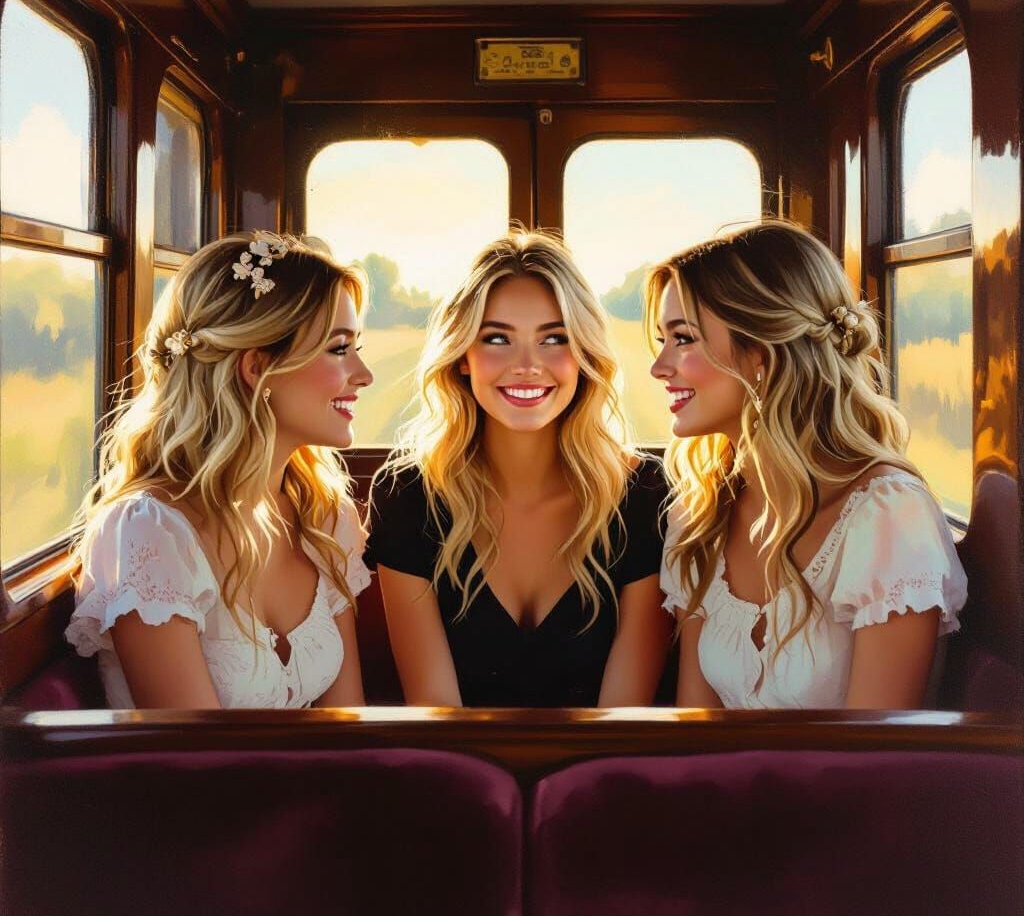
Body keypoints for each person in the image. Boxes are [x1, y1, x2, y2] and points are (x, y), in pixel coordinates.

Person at [647, 221, 967, 709]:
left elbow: (879, 760)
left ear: (762, 353)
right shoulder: (700, 515)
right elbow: (698, 737)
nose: (658, 366)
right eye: (662, 340)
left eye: (683, 338)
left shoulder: (886, 516)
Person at [66, 232, 374, 708]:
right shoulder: (151, 533)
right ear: (257, 367)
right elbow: (196, 763)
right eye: (339, 348)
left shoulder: (324, 519)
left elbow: (346, 730)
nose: (363, 374)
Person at [364, 230, 671, 707]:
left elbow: (623, 720)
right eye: (497, 339)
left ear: (585, 356)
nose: (527, 365)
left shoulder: (643, 494)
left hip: (606, 773)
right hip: (462, 774)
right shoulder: (407, 495)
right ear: (463, 357)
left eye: (554, 338)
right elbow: (436, 713)